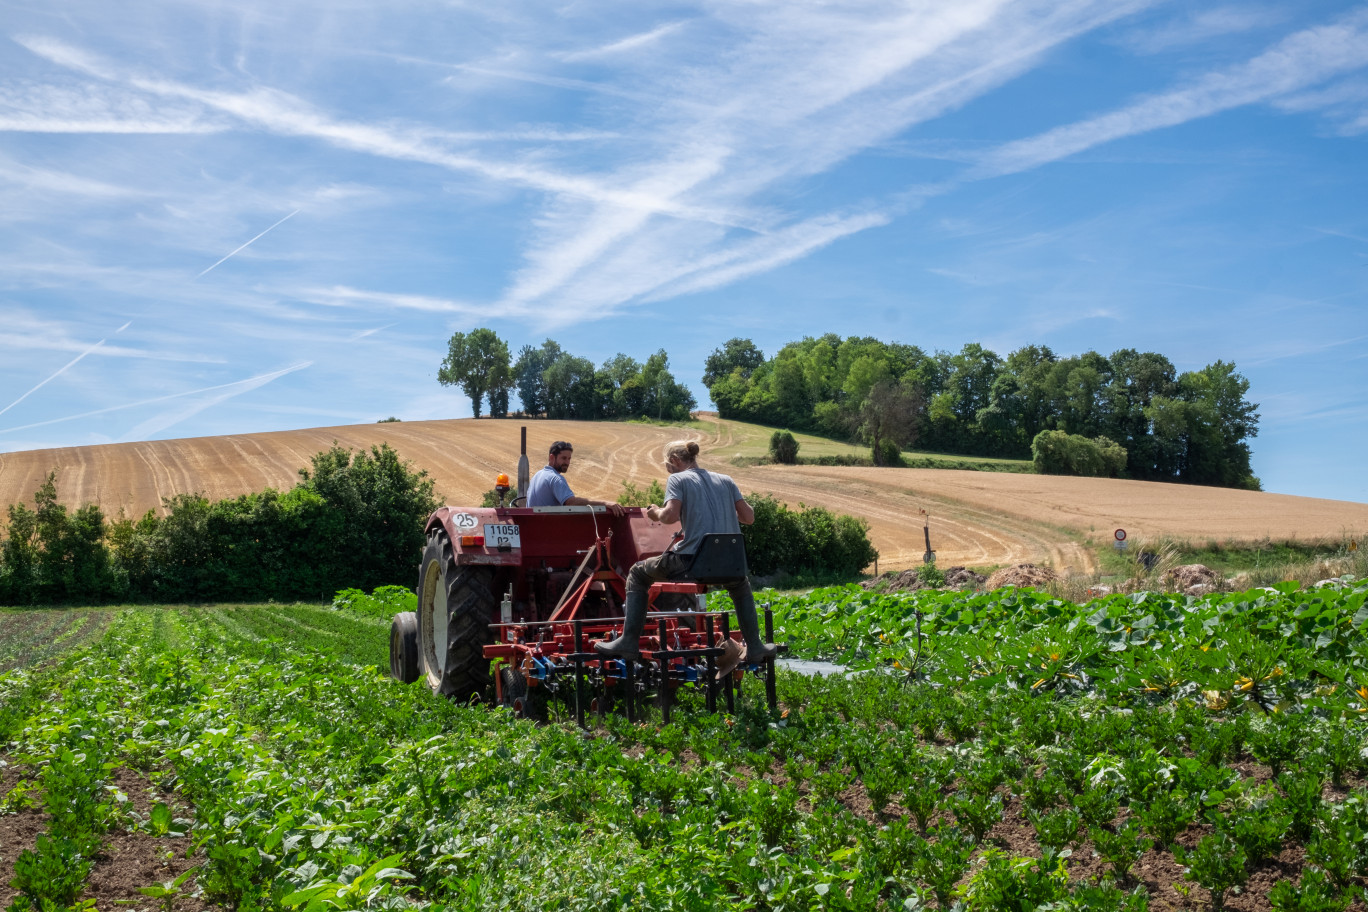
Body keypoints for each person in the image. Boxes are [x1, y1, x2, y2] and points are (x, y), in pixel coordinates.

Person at [595, 439, 777, 673]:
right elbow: (749, 518)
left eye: (667, 465)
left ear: (674, 461)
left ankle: (629, 642)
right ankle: (755, 646)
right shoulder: (726, 480)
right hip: (731, 561)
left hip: (693, 561)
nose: (667, 470)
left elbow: (670, 516)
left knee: (638, 573)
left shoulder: (677, 479)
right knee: (740, 586)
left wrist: (654, 513)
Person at [525, 441, 624, 514]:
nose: (567, 463)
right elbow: (571, 502)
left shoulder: (537, 475)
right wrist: (605, 503)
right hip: (548, 528)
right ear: (551, 457)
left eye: (569, 459)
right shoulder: (555, 478)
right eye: (563, 458)